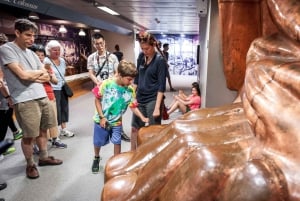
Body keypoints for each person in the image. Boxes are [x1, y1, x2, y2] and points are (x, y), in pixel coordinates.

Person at [0, 19, 63, 179]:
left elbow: (45, 75)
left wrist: (31, 74)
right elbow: (22, 75)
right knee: (29, 136)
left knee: (43, 130)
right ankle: (30, 164)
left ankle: (43, 157)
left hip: (41, 95)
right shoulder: (7, 49)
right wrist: (32, 74)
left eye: (33, 36)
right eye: (28, 35)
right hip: (24, 99)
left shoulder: (31, 53)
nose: (32, 39)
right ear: (17, 33)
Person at [91, 60, 149, 173]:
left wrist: (142, 117)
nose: (131, 82)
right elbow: (97, 99)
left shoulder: (130, 90)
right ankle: (96, 157)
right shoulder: (106, 84)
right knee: (98, 142)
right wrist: (102, 117)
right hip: (101, 119)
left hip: (117, 121)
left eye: (132, 79)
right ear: (120, 75)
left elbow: (132, 106)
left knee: (117, 142)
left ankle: (116, 163)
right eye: (129, 79)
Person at [87, 33, 131, 142]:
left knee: (117, 109)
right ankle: (103, 129)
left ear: (104, 42)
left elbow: (117, 73)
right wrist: (97, 81)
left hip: (112, 88)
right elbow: (90, 73)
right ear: (94, 44)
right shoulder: (91, 58)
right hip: (100, 87)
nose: (99, 46)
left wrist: (109, 82)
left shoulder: (112, 57)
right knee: (100, 109)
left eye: (101, 43)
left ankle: (120, 131)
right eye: (97, 44)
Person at [131, 31, 167, 150]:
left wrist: (157, 107)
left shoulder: (160, 60)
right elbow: (137, 78)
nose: (144, 51)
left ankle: (153, 156)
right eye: (142, 48)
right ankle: (133, 154)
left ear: (153, 45)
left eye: (147, 48)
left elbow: (161, 86)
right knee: (135, 128)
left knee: (153, 131)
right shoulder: (141, 57)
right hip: (140, 97)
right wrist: (131, 94)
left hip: (153, 99)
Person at [29, 44, 67, 149]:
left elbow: (55, 81)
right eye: (38, 55)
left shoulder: (47, 66)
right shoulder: (29, 67)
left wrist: (47, 75)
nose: (40, 57)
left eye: (42, 55)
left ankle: (55, 139)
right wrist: (42, 76)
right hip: (34, 97)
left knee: (53, 119)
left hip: (49, 95)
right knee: (36, 123)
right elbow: (28, 79)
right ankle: (36, 145)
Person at [44, 40, 75, 138]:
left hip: (62, 87)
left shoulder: (62, 61)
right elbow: (46, 75)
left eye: (58, 50)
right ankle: (54, 133)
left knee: (64, 108)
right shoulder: (47, 61)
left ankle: (64, 129)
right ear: (49, 51)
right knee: (55, 110)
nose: (56, 52)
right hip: (53, 89)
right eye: (54, 50)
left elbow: (63, 73)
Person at [0, 33, 23, 157]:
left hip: (4, 95)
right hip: (3, 96)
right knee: (4, 119)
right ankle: (2, 146)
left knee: (6, 116)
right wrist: (8, 97)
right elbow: (1, 82)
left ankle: (15, 131)